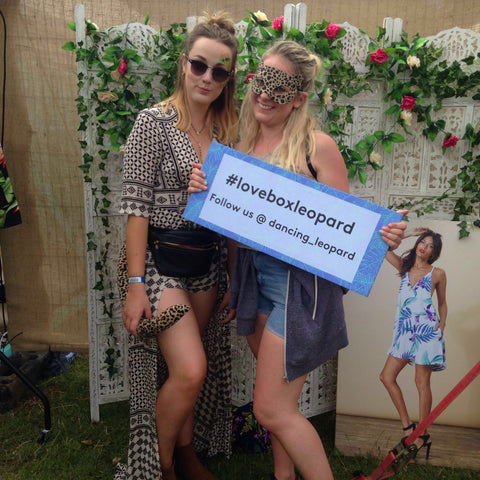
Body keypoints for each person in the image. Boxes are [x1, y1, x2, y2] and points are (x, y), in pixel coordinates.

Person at [189, 40, 407, 480]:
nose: (265, 93)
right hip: (256, 280)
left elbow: (345, 227)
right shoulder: (241, 144)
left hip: (299, 288)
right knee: (282, 405)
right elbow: (235, 227)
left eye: (280, 86)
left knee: (270, 409)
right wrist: (203, 187)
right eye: (261, 80)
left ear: (299, 97)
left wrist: (381, 235)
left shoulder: (315, 146)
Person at [118, 13, 238, 480]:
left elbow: (234, 215)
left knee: (189, 372)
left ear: (229, 78)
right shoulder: (154, 123)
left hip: (206, 266)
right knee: (189, 370)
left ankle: (186, 452)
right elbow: (135, 208)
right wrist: (134, 284)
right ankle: (162, 465)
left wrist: (231, 274)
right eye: (200, 65)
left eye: (220, 71)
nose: (207, 78)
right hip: (159, 264)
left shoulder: (228, 133)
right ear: (183, 64)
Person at [380, 228, 447, 459]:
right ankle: (409, 427)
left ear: (434, 253)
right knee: (387, 377)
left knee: (421, 382)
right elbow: (379, 246)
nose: (425, 247)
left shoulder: (437, 273)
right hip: (404, 332)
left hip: (427, 331)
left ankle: (422, 434)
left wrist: (443, 323)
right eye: (423, 242)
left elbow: (443, 303)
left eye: (430, 246)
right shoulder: (404, 267)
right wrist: (407, 234)